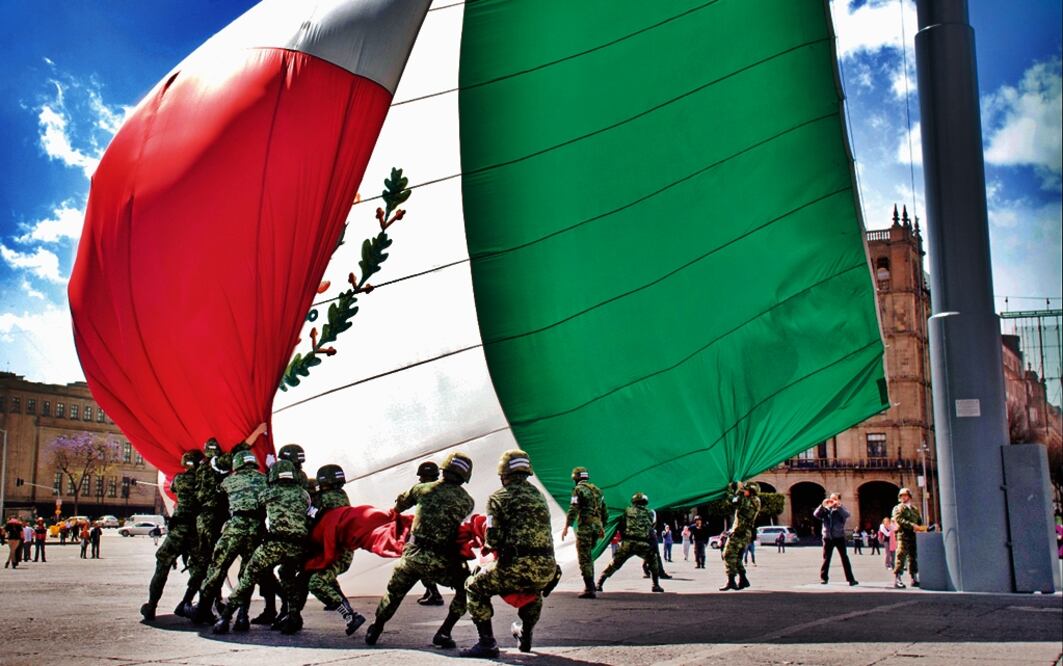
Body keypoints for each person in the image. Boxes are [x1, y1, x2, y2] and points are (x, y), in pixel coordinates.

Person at [366, 452, 475, 649]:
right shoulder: (467, 501)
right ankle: (444, 632)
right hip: (442, 561)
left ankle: (377, 627)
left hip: (412, 556)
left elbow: (399, 506)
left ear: (444, 469)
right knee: (466, 589)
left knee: (393, 594)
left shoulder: (421, 489)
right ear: (465, 476)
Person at [461, 449, 556, 657]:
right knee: (533, 591)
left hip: (515, 567)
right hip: (546, 569)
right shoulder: (538, 496)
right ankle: (526, 635)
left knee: (473, 587)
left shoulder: (498, 498)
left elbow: (492, 539)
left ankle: (486, 643)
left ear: (504, 474)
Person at [213, 459, 309, 634]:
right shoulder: (304, 495)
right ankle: (293, 617)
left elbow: (255, 507)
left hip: (274, 545)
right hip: (297, 548)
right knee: (288, 578)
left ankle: (226, 617)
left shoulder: (268, 493)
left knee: (248, 576)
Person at [192, 448, 267, 628]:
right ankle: (242, 616)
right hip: (256, 530)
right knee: (246, 575)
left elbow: (215, 496)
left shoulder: (229, 481)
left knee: (218, 568)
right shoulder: (265, 480)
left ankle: (202, 609)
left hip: (235, 528)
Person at [293, 464, 365, 637]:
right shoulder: (341, 495)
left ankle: (350, 615)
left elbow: (310, 520)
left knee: (316, 582)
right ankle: (293, 616)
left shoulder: (324, 500)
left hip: (336, 553)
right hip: (339, 551)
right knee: (310, 578)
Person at [141, 450, 203, 621]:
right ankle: (203, 607)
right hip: (196, 530)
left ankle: (152, 605)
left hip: (178, 529)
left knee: (162, 565)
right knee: (199, 569)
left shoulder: (180, 479)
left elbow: (174, 489)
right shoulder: (204, 480)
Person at [595, 492, 664, 594]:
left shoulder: (627, 511)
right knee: (654, 561)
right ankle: (655, 585)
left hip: (628, 543)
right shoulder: (650, 513)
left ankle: (599, 583)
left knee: (615, 563)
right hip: (643, 543)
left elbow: (621, 524)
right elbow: (652, 526)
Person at [561, 466, 608, 599]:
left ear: (575, 478)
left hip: (585, 527)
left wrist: (567, 526)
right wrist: (602, 526)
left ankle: (589, 588)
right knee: (589, 556)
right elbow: (605, 511)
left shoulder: (578, 490)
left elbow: (573, 508)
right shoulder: (599, 491)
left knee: (584, 557)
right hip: (596, 527)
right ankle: (591, 585)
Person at [404, 460, 446, 607]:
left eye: (422, 476)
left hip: (426, 537)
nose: (420, 479)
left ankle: (435, 594)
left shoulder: (420, 489)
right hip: (444, 536)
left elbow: (403, 502)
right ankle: (430, 591)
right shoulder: (445, 489)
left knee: (419, 564)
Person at [720, 482, 761, 591]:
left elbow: (731, 499)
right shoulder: (756, 501)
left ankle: (731, 580)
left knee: (727, 555)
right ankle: (743, 579)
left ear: (751, 492)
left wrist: (730, 487)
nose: (744, 491)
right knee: (737, 557)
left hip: (739, 532)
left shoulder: (746, 501)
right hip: (746, 533)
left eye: (746, 490)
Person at [813, 493, 858, 586]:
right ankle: (823, 578)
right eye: (831, 499)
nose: (832, 501)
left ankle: (851, 579)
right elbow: (816, 514)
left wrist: (838, 507)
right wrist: (822, 505)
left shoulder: (841, 509)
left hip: (839, 537)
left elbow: (847, 515)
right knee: (826, 558)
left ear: (839, 500)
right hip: (827, 537)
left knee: (844, 558)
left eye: (834, 499)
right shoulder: (826, 510)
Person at [891, 487, 925, 588]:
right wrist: (912, 525)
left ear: (909, 496)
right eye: (901, 496)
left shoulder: (914, 509)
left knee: (913, 557)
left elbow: (919, 520)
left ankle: (914, 577)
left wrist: (920, 528)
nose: (903, 497)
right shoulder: (898, 508)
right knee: (901, 555)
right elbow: (899, 519)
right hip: (903, 534)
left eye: (905, 495)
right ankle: (898, 578)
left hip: (913, 535)